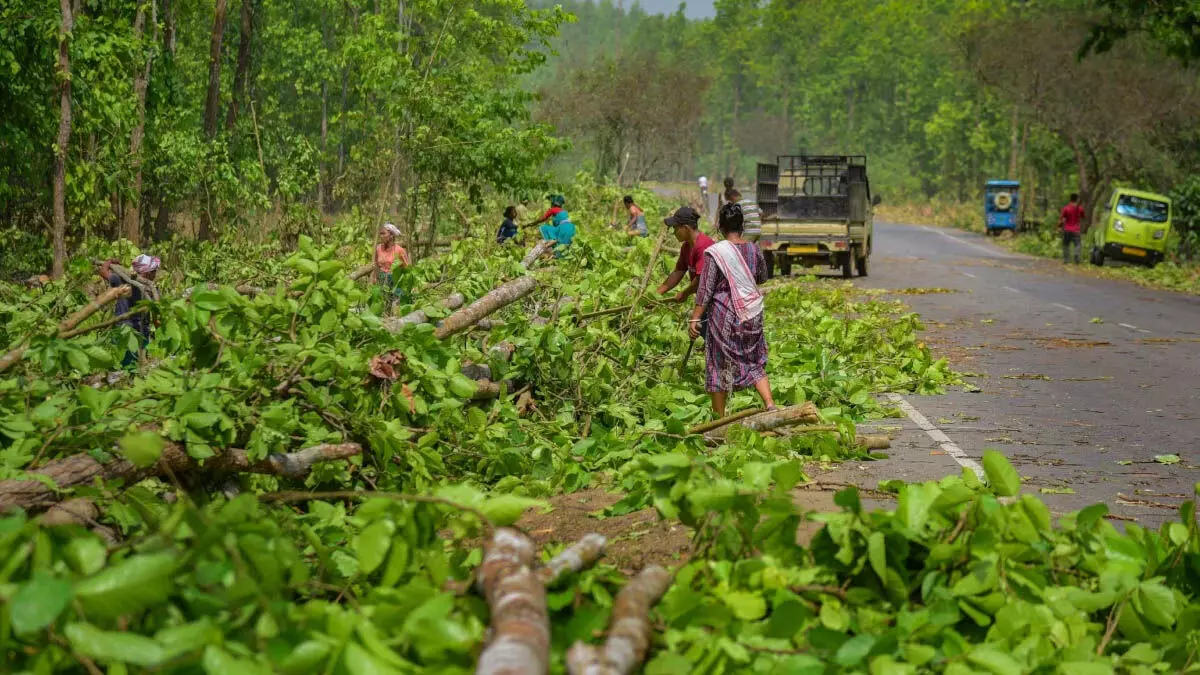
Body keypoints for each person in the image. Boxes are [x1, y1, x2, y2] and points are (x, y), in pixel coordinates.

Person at [689, 202, 776, 417]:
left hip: (724, 316)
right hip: (752, 313)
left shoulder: (715, 253)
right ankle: (770, 404)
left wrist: (695, 319)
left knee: (719, 364)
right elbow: (762, 277)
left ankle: (720, 419)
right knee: (753, 359)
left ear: (720, 226)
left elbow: (706, 289)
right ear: (742, 225)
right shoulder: (754, 249)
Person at [98, 254, 158, 368]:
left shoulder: (122, 280)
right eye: (154, 271)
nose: (155, 274)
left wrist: (109, 261)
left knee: (123, 362)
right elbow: (156, 315)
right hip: (136, 331)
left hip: (124, 328)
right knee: (133, 364)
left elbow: (103, 272)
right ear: (147, 273)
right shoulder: (151, 289)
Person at [656, 206, 714, 303]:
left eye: (675, 228)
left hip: (716, 299)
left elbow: (702, 279)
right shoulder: (686, 246)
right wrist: (657, 294)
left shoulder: (703, 246)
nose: (674, 232)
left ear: (686, 228)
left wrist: (684, 293)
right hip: (704, 297)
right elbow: (679, 271)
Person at [373, 223, 411, 304]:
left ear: (391, 235)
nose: (381, 236)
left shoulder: (399, 250)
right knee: (383, 304)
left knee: (395, 304)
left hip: (395, 282)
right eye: (380, 234)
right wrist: (375, 278)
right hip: (382, 281)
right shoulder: (378, 248)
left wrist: (407, 285)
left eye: (383, 233)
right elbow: (376, 264)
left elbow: (407, 268)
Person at [1060, 193, 1085, 264]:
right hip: (1076, 230)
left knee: (1065, 245)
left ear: (1070, 199)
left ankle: (1067, 260)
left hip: (1067, 229)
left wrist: (1059, 227)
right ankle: (1076, 254)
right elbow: (1083, 216)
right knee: (1078, 244)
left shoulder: (1066, 208)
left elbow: (1062, 219)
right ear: (1077, 199)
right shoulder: (1080, 208)